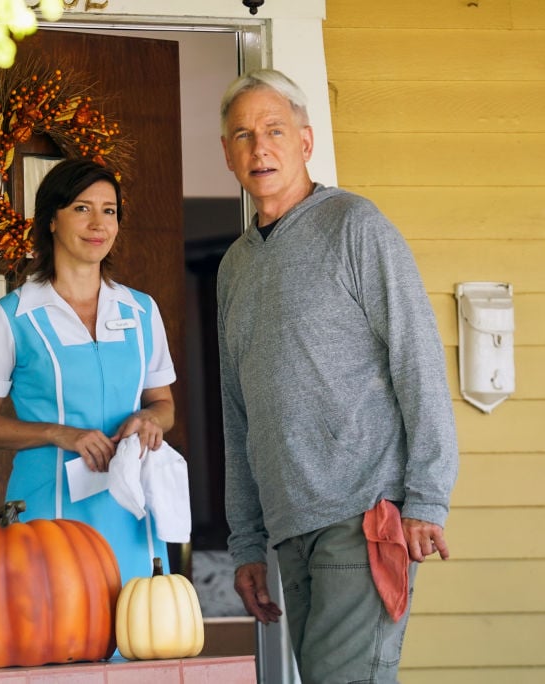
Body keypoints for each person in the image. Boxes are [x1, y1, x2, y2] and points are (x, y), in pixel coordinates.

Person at [216, 69, 459, 683]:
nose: (259, 147)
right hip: (290, 526)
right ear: (227, 154)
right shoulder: (234, 268)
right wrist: (246, 542)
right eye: (242, 135)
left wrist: (427, 497)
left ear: (305, 141)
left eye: (274, 130)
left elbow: (419, 360)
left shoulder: (354, 225)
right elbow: (236, 412)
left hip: (364, 514)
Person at [0, 158, 177, 583]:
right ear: (52, 221)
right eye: (82, 208)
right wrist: (59, 433)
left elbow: (163, 403)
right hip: (47, 508)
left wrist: (150, 419)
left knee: (139, 631)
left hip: (130, 510)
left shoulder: (142, 310)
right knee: (56, 634)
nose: (98, 222)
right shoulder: (11, 317)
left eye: (109, 210)